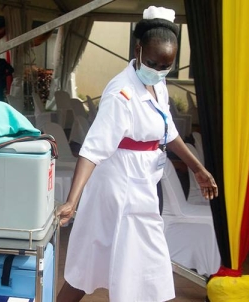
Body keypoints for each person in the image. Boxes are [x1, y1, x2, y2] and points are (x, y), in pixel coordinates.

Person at [55, 6, 218, 302]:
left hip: (141, 182)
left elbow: (166, 129)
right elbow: (93, 149)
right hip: (119, 187)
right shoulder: (121, 94)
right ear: (138, 49)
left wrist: (197, 167)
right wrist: (71, 200)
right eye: (153, 63)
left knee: (105, 262)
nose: (158, 71)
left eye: (166, 66)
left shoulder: (157, 82)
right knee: (134, 266)